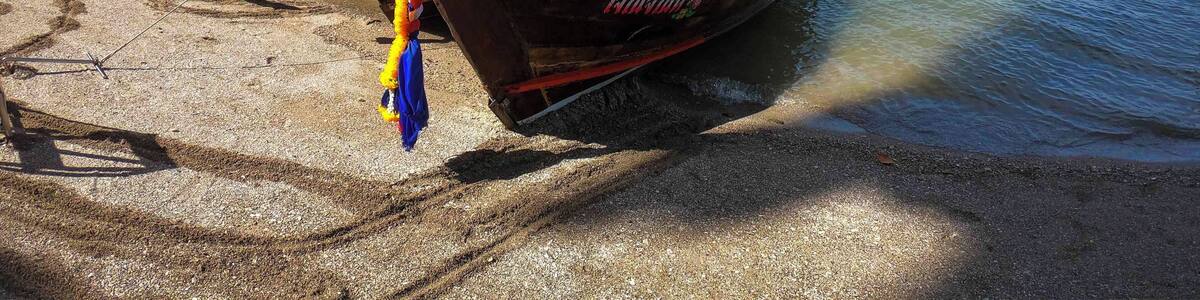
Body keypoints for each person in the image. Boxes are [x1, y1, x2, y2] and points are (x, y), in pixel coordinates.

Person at [378, 0, 428, 151]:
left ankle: (407, 122)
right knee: (406, 85)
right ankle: (406, 121)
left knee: (409, 85)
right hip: (406, 43)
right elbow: (412, 17)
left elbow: (412, 17)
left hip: (406, 43)